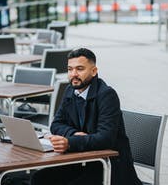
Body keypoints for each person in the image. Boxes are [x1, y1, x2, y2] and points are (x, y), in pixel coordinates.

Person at [31, 47, 142, 185]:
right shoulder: (70, 90)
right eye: (70, 69)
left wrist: (70, 142)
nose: (73, 74)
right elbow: (56, 124)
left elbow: (105, 138)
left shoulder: (107, 95)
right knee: (39, 178)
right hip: (82, 160)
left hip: (109, 166)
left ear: (94, 71)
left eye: (80, 69)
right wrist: (75, 134)